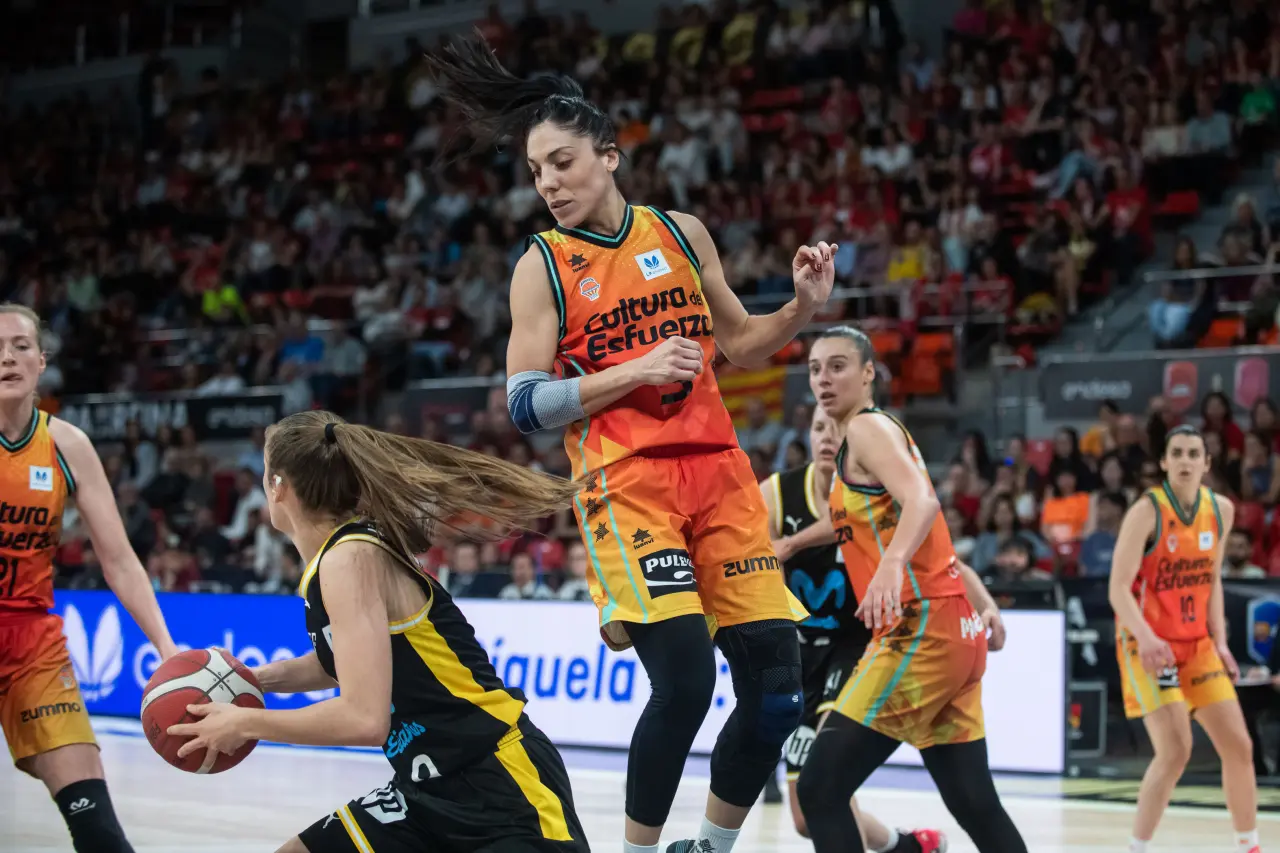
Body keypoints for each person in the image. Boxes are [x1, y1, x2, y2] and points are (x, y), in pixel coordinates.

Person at [426, 36, 830, 853]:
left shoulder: (681, 234)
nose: (549, 183)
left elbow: (740, 343)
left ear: (609, 155)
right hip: (627, 483)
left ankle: (710, 847)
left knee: (779, 693)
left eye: (563, 162)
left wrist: (800, 308)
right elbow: (525, 404)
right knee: (685, 682)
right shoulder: (543, 265)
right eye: (536, 171)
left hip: (721, 475)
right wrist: (634, 370)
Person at [168, 410, 590, 853]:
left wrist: (246, 722)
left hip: (496, 780)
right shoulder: (340, 554)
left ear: (277, 486)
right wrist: (252, 681)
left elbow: (365, 719)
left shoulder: (348, 559)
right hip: (423, 791)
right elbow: (348, 662)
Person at [782, 326, 1027, 853]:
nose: (824, 379)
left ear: (869, 373)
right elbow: (853, 522)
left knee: (820, 788)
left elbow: (924, 501)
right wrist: (792, 543)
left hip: (920, 632)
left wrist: (891, 564)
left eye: (838, 366)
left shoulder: (866, 428)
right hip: (952, 629)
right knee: (974, 802)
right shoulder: (867, 439)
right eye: (816, 369)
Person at [0, 304, 179, 853]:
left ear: (41, 361)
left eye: (20, 346)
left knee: (98, 828)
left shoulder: (67, 445)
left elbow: (119, 560)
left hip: (31, 644)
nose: (7, 357)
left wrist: (167, 648)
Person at [763, 407, 945, 853]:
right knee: (806, 818)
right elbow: (761, 568)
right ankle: (904, 846)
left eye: (837, 429)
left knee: (826, 781)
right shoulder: (776, 493)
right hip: (801, 654)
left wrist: (981, 599)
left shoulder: (873, 492)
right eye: (818, 428)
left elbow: (937, 545)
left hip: (857, 645)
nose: (828, 437)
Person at [1108, 425, 1259, 853]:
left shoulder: (1221, 510)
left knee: (1239, 745)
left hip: (1197, 645)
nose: (1186, 461)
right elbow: (1117, 589)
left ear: (1207, 463)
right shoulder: (1146, 512)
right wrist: (1147, 638)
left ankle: (1249, 845)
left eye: (1194, 453)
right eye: (1177, 453)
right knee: (1176, 749)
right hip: (1148, 645)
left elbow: (1211, 580)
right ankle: (1137, 848)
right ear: (1164, 462)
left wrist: (1221, 641)